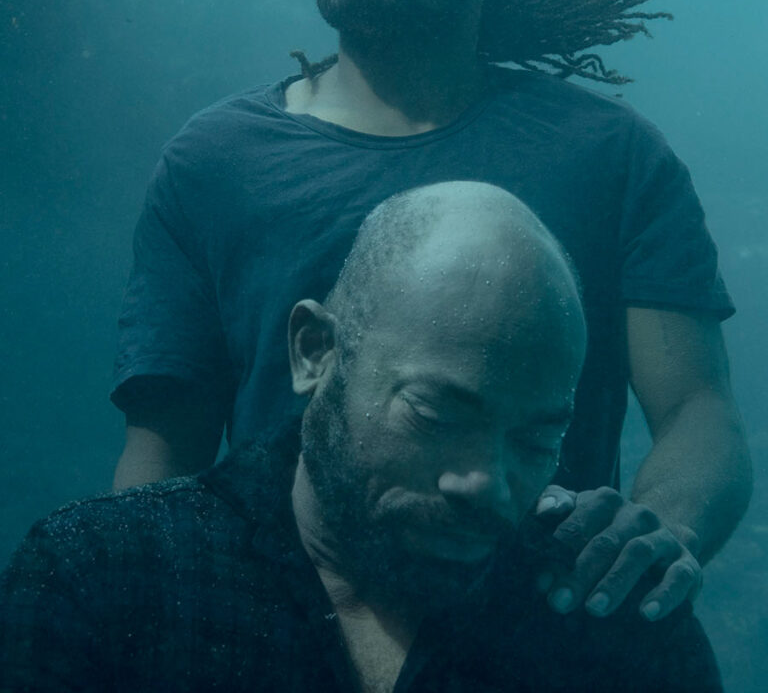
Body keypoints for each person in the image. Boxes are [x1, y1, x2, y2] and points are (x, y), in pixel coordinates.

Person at [112, 0, 751, 620]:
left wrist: (658, 532)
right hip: (269, 630)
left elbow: (698, 410)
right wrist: (140, 619)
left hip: (536, 629)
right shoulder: (213, 163)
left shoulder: (612, 155)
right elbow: (165, 445)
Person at [1, 184, 723, 692]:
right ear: (314, 350)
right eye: (437, 415)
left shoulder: (619, 625)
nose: (486, 481)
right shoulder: (98, 577)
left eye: (537, 441)